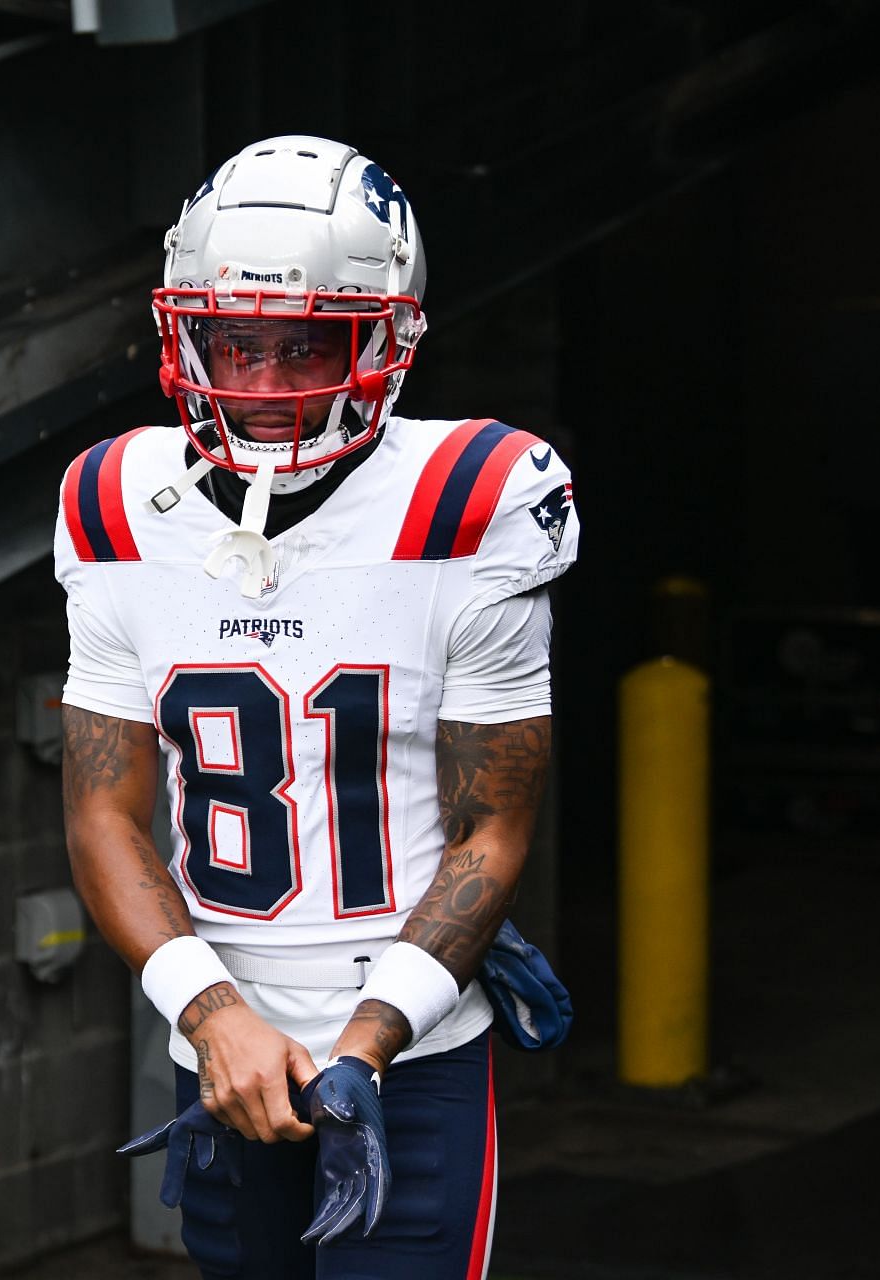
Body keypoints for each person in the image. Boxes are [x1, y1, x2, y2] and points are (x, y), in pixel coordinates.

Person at [56, 135, 579, 1279]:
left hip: (411, 1049)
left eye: (307, 349)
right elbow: (103, 812)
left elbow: (493, 826)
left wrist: (368, 1039)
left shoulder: (476, 499)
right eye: (234, 344)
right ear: (181, 330)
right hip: (220, 1050)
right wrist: (213, 1018)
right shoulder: (115, 501)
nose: (262, 385)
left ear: (391, 335)